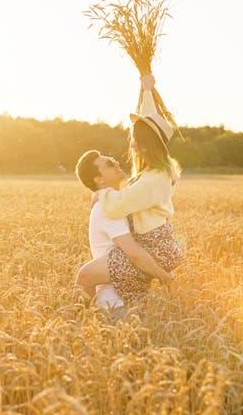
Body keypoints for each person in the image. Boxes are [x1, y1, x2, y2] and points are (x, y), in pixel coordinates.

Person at [74, 73, 183, 306]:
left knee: (85, 276)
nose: (132, 144)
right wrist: (146, 91)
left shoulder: (153, 179)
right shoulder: (152, 169)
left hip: (155, 248)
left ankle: (79, 320)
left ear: (148, 144)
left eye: (137, 140)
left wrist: (100, 193)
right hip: (156, 245)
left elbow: (117, 205)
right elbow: (147, 119)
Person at [75, 149, 174, 317]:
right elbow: (133, 253)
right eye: (109, 164)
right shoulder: (107, 209)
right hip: (114, 306)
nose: (116, 164)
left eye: (113, 160)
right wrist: (164, 277)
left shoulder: (116, 202)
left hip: (131, 301)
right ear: (99, 179)